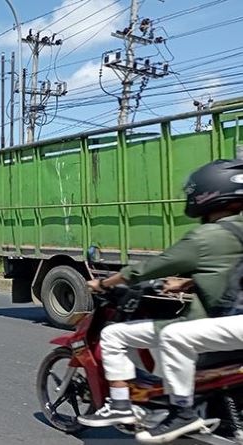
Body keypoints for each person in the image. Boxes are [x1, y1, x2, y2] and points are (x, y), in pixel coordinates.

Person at [78, 159, 243, 443]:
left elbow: (149, 268)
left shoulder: (207, 236)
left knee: (116, 335)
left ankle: (125, 406)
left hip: (223, 321)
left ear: (207, 192)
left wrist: (103, 283)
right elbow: (231, 272)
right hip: (231, 317)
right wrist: (188, 282)